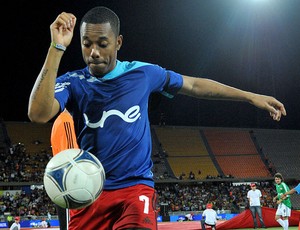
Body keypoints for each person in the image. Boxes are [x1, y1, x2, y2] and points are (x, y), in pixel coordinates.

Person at [27, 6, 286, 230]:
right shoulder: (72, 82)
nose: (93, 52)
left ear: (118, 42)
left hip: (134, 188)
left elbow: (194, 85)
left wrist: (250, 96)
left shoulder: (143, 74)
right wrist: (57, 47)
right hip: (87, 192)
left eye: (102, 44)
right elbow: (38, 114)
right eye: (86, 44)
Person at [50, 109, 79, 230]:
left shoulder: (66, 120)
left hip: (70, 186)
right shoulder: (66, 120)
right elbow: (73, 157)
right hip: (70, 187)